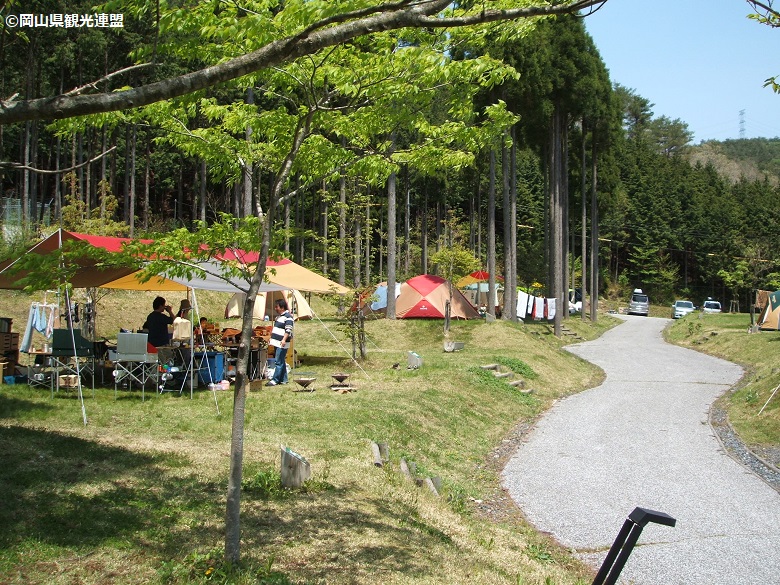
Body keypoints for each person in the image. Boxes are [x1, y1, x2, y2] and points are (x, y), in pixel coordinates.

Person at [267, 298, 293, 386]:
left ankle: (275, 380)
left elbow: (288, 330)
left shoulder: (288, 317)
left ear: (282, 307)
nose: (275, 308)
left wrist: (284, 340)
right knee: (281, 361)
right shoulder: (279, 317)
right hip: (276, 342)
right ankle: (284, 379)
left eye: (276, 307)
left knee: (278, 361)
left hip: (281, 343)